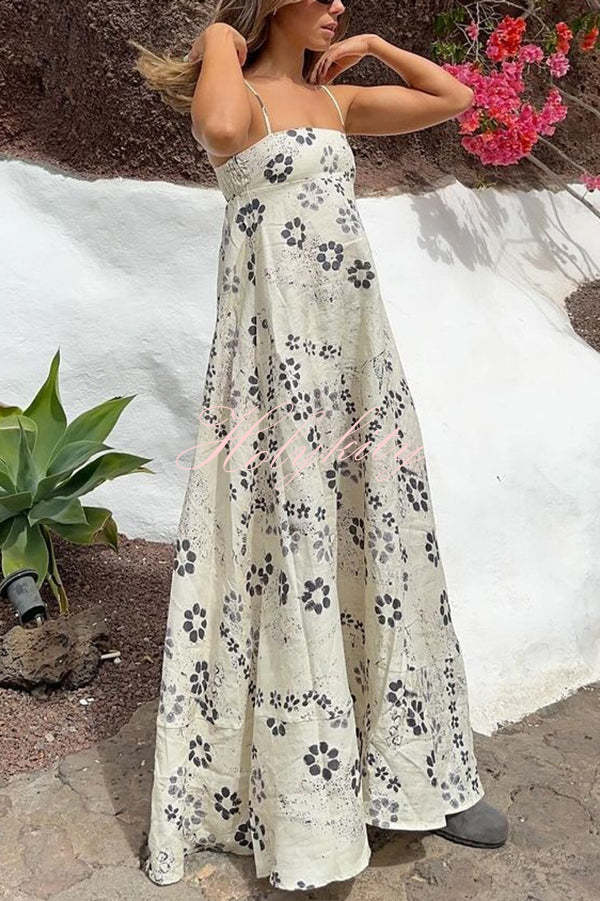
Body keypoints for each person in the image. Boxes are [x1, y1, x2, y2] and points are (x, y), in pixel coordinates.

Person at [130, 0, 508, 892]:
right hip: (274, 366)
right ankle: (308, 800)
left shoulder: (337, 102)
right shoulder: (236, 89)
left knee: (386, 539)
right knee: (287, 548)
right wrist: (219, 38)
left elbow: (454, 98)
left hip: (354, 356)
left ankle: (423, 771)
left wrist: (374, 46)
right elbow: (224, 131)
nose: (339, 6)